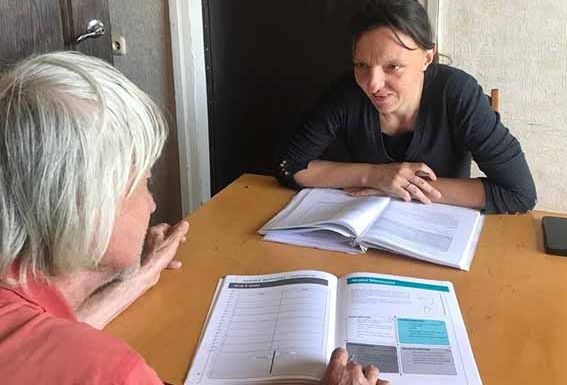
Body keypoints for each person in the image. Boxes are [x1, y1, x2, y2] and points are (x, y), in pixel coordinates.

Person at [0, 52, 388, 385]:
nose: (153, 204)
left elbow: (43, 334)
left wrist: (143, 275)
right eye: (144, 182)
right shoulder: (110, 372)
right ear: (85, 205)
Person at [277, 0, 536, 214]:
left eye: (393, 66)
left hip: (441, 228)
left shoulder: (458, 93)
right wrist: (375, 176)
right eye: (361, 65)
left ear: (427, 57)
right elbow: (288, 166)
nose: (372, 84)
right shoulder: (347, 93)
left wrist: (401, 186)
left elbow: (519, 193)